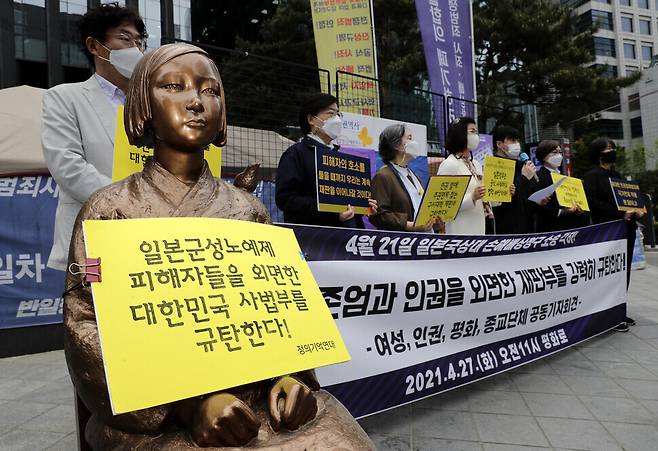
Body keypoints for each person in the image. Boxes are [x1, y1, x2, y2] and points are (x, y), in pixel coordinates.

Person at [63, 43, 373, 449]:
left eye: (210, 91)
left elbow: (282, 307)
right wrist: (187, 406)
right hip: (162, 414)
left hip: (258, 396)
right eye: (174, 87)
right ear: (143, 105)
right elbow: (83, 322)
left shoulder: (248, 209)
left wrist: (290, 379)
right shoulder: (107, 209)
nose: (196, 101)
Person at [41, 3, 147, 270]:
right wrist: (126, 204)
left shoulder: (152, 105)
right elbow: (68, 166)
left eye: (139, 41)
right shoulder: (64, 98)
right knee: (96, 311)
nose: (135, 48)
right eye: (124, 38)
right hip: (92, 236)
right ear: (94, 46)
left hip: (148, 237)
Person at [275, 93, 376, 227]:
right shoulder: (296, 154)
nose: (337, 119)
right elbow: (286, 199)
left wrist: (363, 205)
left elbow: (347, 203)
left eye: (338, 114)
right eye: (331, 114)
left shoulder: (341, 158)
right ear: (311, 119)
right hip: (315, 240)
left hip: (349, 238)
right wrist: (333, 214)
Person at [584, 137, 644, 333]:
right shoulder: (592, 176)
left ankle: (619, 309)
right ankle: (606, 314)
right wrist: (619, 213)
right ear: (598, 153)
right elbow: (592, 203)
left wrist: (637, 210)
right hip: (608, 231)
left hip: (626, 229)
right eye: (607, 148)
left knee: (623, 271)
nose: (611, 151)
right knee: (609, 272)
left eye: (613, 147)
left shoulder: (617, 175)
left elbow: (630, 199)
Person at [369, 123, 436, 232]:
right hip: (400, 242)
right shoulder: (383, 176)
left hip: (423, 240)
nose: (414, 143)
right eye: (409, 138)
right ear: (396, 145)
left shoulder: (413, 176)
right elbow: (378, 215)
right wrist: (410, 225)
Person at [437, 117, 486, 235]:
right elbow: (442, 203)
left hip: (479, 226)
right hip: (460, 228)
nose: (476, 136)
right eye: (472, 131)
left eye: (476, 132)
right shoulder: (449, 164)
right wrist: (472, 197)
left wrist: (503, 193)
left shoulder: (476, 165)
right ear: (460, 134)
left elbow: (486, 198)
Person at [488, 125, 537, 234]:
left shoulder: (521, 165)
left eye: (517, 141)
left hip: (526, 226)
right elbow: (500, 200)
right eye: (512, 140)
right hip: (506, 229)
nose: (516, 144)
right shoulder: (493, 166)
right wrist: (523, 178)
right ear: (499, 144)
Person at [531, 140, 588, 232]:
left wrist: (580, 209)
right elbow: (537, 206)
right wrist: (562, 211)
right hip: (551, 229)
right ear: (544, 156)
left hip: (570, 227)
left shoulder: (565, 177)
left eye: (560, 152)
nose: (559, 155)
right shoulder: (538, 177)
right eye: (554, 152)